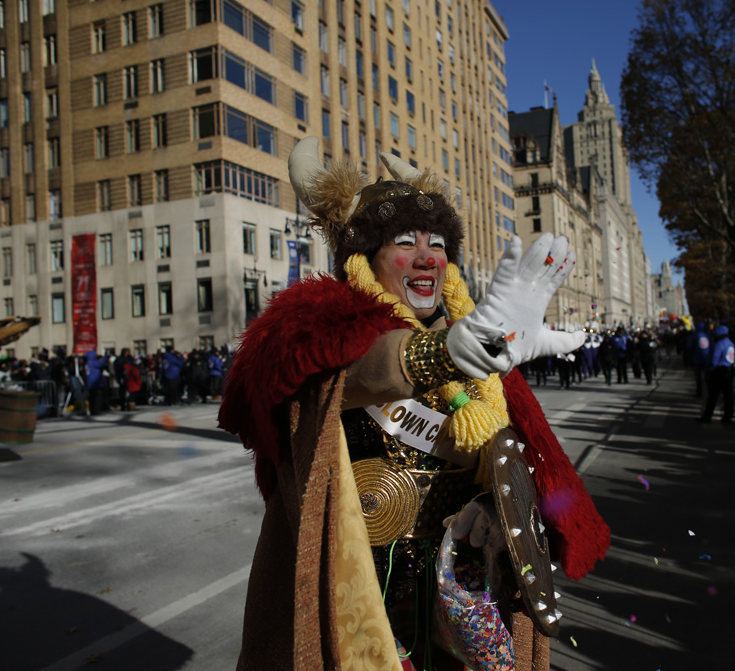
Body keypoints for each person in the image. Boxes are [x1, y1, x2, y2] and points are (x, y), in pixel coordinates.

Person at [218, 138, 611, 671]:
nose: (428, 256)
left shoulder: (472, 337)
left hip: (462, 578)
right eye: (406, 241)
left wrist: (498, 506)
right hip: (360, 575)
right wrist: (438, 354)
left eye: (438, 243)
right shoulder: (320, 329)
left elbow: (510, 456)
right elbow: (326, 373)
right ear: (363, 258)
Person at [699, 324, 735, 423]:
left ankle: (707, 417)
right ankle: (728, 416)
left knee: (713, 396)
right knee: (728, 396)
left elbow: (714, 359)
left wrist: (709, 370)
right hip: (729, 370)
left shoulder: (719, 344)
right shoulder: (730, 343)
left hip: (719, 371)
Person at [688, 322, 710, 396]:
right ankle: (709, 392)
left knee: (698, 377)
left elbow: (689, 347)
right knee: (707, 377)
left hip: (696, 359)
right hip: (706, 359)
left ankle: (699, 392)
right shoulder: (707, 336)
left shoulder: (694, 336)